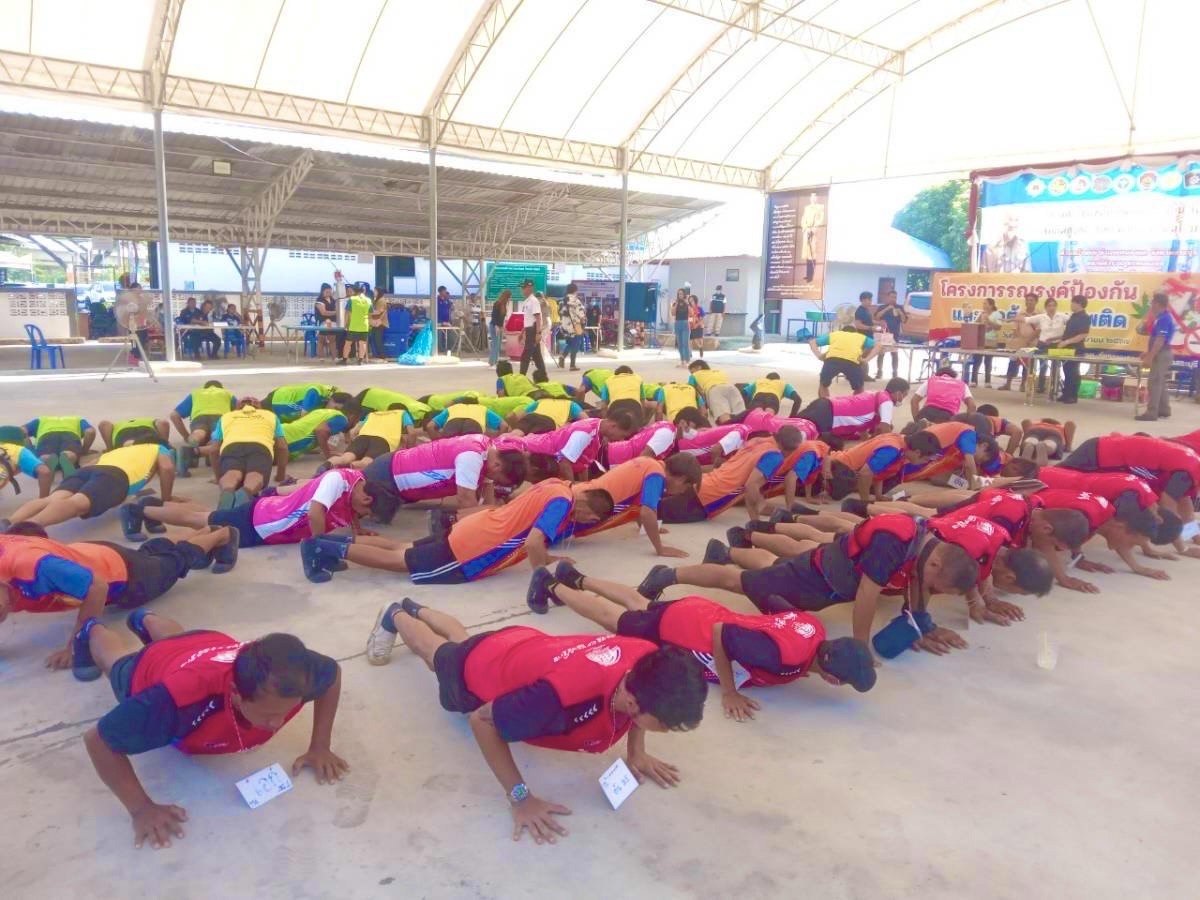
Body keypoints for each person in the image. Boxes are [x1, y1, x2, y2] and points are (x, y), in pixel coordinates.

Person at [362, 600, 705, 845]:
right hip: (479, 669)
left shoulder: (647, 658)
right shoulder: (559, 698)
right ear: (633, 703)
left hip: (524, 646)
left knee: (463, 640)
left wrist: (637, 753)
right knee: (433, 652)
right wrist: (521, 798)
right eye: (667, 724)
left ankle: (418, 608)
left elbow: (643, 703)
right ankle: (396, 614)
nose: (669, 730)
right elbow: (483, 723)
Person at [81, 613, 345, 850]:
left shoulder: (300, 676)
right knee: (115, 662)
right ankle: (92, 628)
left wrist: (320, 746)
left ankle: (146, 619)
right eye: (269, 715)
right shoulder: (178, 701)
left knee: (178, 643)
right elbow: (98, 740)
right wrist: (141, 809)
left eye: (287, 710)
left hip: (204, 644)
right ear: (235, 693)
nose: (278, 723)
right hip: (151, 667)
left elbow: (331, 675)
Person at [528, 563, 876, 720]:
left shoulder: (812, 628)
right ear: (831, 677)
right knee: (613, 619)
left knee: (638, 602)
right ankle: (551, 585)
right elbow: (722, 634)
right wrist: (729, 692)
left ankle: (576, 577)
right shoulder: (781, 658)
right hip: (685, 629)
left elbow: (777, 605)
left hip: (700, 610)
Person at [637, 513, 979, 652]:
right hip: (813, 578)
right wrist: (860, 647)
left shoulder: (928, 547)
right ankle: (668, 575)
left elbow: (918, 587)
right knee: (738, 581)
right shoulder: (894, 543)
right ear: (936, 563)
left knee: (765, 569)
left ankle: (726, 551)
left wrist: (923, 626)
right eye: (937, 586)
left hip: (823, 580)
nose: (931, 591)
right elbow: (867, 596)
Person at [0, 524, 239, 678]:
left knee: (172, 562)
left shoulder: (32, 566)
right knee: (148, 556)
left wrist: (75, 644)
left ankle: (223, 534)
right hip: (89, 553)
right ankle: (203, 530)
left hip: (123, 576)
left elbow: (97, 586)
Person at [303, 479, 610, 583]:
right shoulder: (563, 503)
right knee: (400, 562)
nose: (582, 520)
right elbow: (532, 543)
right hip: (475, 547)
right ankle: (322, 547)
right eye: (589, 517)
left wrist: (550, 557)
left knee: (402, 547)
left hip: (475, 527)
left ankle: (330, 541)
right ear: (587, 507)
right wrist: (543, 578)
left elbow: (528, 527)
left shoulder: (556, 485)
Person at [123, 466, 396, 550]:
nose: (364, 517)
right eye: (368, 515)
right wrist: (320, 545)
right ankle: (139, 511)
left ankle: (154, 506)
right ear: (367, 500)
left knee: (204, 515)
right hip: (263, 522)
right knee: (201, 523)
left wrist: (357, 528)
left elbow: (348, 509)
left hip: (268, 514)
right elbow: (315, 512)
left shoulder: (359, 483)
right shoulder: (338, 480)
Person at [2, 443, 176, 532]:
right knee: (77, 503)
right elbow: (167, 467)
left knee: (51, 499)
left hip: (88, 471)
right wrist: (166, 499)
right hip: (116, 476)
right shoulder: (159, 448)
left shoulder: (118, 450)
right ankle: (29, 527)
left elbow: (89, 465)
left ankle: (9, 522)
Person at [556, 456, 699, 559]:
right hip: (578, 511)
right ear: (681, 479)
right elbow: (647, 512)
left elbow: (636, 501)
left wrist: (647, 527)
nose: (682, 492)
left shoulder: (649, 463)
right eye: (685, 488)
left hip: (575, 497)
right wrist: (660, 548)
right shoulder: (657, 475)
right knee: (546, 537)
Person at [660, 428, 802, 523]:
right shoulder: (775, 456)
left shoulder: (758, 441)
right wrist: (756, 522)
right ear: (789, 450)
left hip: (703, 482)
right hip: (707, 499)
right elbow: (751, 486)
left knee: (653, 502)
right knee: (650, 512)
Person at [363, 433, 527, 510]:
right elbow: (465, 500)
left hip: (397, 479)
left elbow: (487, 487)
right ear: (497, 466)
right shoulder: (472, 456)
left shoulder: (489, 449)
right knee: (358, 511)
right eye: (499, 480)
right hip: (386, 479)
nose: (495, 482)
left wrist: (490, 510)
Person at [202, 400, 288, 508]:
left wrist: (219, 479)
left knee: (232, 473)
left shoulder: (227, 417)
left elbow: (214, 450)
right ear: (260, 407)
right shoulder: (270, 415)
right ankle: (246, 492)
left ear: (237, 407)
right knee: (255, 475)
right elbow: (282, 446)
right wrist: (280, 476)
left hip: (231, 446)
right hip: (260, 446)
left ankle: (227, 491)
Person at [819, 430, 940, 502]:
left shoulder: (901, 440)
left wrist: (878, 495)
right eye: (925, 459)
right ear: (917, 452)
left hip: (838, 463)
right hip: (835, 469)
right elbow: (865, 473)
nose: (924, 463)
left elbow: (880, 470)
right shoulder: (892, 450)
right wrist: (865, 501)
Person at [799, 378, 908, 439]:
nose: (903, 399)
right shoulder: (887, 401)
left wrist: (867, 442)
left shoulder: (875, 394)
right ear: (898, 393)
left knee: (794, 427)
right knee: (798, 439)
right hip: (829, 414)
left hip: (825, 404)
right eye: (905, 395)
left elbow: (863, 429)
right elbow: (885, 428)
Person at [321, 406, 412, 470]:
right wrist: (411, 450)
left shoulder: (372, 414)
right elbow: (412, 432)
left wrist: (354, 446)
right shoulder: (402, 413)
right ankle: (343, 468)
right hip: (382, 441)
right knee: (365, 463)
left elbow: (354, 431)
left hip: (362, 438)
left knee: (344, 458)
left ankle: (326, 466)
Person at [1137, 291, 1175, 422]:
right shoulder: (1161, 318)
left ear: (1157, 304)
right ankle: (1164, 410)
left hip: (1161, 353)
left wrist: (1150, 357)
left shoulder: (1164, 319)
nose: (1151, 305)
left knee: (1154, 382)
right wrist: (1148, 353)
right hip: (1162, 352)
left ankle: (1151, 413)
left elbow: (1160, 340)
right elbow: (1156, 339)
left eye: (1152, 303)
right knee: (1160, 382)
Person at [809, 326, 875, 397]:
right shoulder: (860, 336)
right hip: (852, 361)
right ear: (855, 332)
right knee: (859, 388)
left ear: (841, 331)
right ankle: (856, 402)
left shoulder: (835, 334)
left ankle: (824, 402)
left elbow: (812, 342)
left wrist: (819, 355)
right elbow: (877, 345)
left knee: (823, 385)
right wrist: (866, 359)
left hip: (832, 360)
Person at [1021, 296, 1069, 394]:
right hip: (1042, 344)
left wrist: (1061, 338)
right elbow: (1026, 319)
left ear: (1056, 307)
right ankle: (1040, 386)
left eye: (1054, 305)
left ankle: (1053, 388)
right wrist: (1010, 319)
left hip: (1056, 345)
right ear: (1046, 307)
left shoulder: (1062, 316)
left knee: (1056, 366)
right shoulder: (1041, 317)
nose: (1052, 308)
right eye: (1049, 306)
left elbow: (1072, 325)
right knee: (1042, 366)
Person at [23, 414, 95, 477]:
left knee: (46, 457)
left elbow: (21, 431)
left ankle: (47, 459)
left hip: (47, 437)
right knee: (69, 454)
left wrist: (29, 449)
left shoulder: (41, 420)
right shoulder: (77, 419)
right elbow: (90, 431)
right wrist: (84, 451)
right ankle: (68, 456)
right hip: (70, 436)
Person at [999, 293, 1043, 391]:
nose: (1028, 302)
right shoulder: (1020, 314)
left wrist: (1028, 340)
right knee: (1012, 362)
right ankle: (1008, 384)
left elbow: (1038, 330)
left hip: (1032, 344)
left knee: (1027, 365)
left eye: (1031, 300)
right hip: (1019, 343)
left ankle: (1023, 385)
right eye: (1027, 300)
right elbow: (1015, 329)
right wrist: (1022, 340)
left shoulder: (1040, 315)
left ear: (1036, 302)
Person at [282, 406, 357, 459]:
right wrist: (328, 455)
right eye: (357, 421)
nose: (356, 424)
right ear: (352, 417)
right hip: (287, 440)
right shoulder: (342, 420)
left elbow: (308, 428)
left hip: (284, 430)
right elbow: (320, 431)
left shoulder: (325, 412)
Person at [1056, 294, 1091, 403]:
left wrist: (1067, 342)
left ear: (1079, 304)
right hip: (1066, 348)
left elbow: (1083, 334)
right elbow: (1068, 332)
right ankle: (1066, 394)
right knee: (1066, 371)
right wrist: (1059, 340)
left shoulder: (1084, 317)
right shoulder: (1072, 316)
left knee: (1073, 373)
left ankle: (1072, 396)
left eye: (1073, 303)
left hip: (1076, 349)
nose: (1071, 305)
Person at [910, 366, 976, 423]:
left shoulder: (931, 380)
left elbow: (914, 401)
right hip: (948, 417)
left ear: (937, 375)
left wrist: (917, 422)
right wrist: (968, 424)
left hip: (927, 413)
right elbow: (972, 405)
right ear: (954, 377)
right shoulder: (962, 384)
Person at [0, 430, 53, 497]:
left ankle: (44, 501)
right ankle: (41, 458)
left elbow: (45, 472)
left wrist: (43, 501)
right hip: (8, 458)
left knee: (44, 472)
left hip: (17, 452)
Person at [966, 297, 1004, 385]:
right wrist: (976, 321)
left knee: (988, 362)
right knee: (977, 361)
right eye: (983, 303)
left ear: (991, 305)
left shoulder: (997, 314)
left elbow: (998, 327)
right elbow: (975, 324)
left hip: (991, 341)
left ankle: (987, 382)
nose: (983, 305)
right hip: (980, 341)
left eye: (985, 304)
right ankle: (974, 381)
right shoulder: (982, 314)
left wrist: (988, 320)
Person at [263, 382, 340, 422]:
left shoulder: (338, 401)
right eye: (335, 408)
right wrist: (304, 416)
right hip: (279, 400)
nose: (334, 411)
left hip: (285, 410)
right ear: (332, 399)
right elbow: (313, 391)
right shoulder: (326, 393)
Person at [873, 290, 907, 379]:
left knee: (894, 354)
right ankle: (879, 371)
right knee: (881, 353)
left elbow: (904, 320)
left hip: (895, 334)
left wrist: (900, 312)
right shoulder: (882, 307)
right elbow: (876, 317)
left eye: (895, 297)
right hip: (884, 333)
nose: (893, 299)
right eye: (891, 297)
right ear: (887, 297)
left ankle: (895, 373)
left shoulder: (899, 307)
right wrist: (887, 309)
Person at [515, 279, 546, 376]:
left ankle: (521, 377)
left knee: (526, 355)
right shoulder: (526, 302)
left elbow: (537, 318)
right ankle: (543, 375)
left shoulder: (533, 301)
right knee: (537, 356)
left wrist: (538, 333)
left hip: (533, 330)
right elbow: (528, 319)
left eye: (524, 288)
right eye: (522, 288)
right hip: (529, 330)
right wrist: (522, 332)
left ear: (529, 288)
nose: (522, 290)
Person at [339, 282, 371, 366]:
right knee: (362, 343)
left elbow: (347, 313)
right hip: (364, 325)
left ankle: (344, 360)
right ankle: (360, 361)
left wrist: (345, 324)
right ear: (363, 290)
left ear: (354, 290)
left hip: (353, 325)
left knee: (348, 343)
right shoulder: (368, 300)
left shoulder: (352, 299)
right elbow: (370, 313)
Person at [314, 283, 339, 360]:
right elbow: (323, 312)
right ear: (322, 291)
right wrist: (336, 312)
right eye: (327, 292)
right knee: (321, 339)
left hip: (333, 322)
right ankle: (320, 356)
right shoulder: (319, 301)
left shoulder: (333, 300)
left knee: (332, 339)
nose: (329, 293)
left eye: (330, 291)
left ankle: (334, 357)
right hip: (323, 322)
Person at [489, 289, 510, 367]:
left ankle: (495, 361)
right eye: (509, 297)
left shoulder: (504, 305)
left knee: (498, 345)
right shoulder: (497, 303)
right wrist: (496, 326)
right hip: (494, 326)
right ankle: (492, 362)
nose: (509, 299)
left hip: (499, 327)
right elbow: (494, 316)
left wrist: (502, 326)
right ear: (506, 297)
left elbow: (502, 318)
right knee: (495, 344)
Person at [671, 289, 691, 366]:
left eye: (681, 294)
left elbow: (691, 313)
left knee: (685, 343)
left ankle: (687, 360)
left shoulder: (687, 303)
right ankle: (682, 360)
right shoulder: (675, 303)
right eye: (679, 294)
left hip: (685, 323)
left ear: (684, 294)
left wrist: (687, 303)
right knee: (679, 344)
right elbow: (673, 313)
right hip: (677, 323)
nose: (680, 295)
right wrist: (676, 304)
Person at [368, 286, 389, 360]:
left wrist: (368, 313)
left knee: (378, 340)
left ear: (378, 292)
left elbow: (379, 311)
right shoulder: (377, 300)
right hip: (375, 322)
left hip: (379, 323)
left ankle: (382, 356)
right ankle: (379, 355)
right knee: (375, 339)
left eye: (375, 291)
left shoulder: (381, 300)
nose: (374, 292)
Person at [688, 295, 705, 359]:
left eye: (692, 299)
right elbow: (688, 317)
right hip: (691, 326)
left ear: (695, 300)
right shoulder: (689, 308)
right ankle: (689, 353)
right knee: (690, 340)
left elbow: (701, 318)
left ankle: (700, 347)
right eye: (690, 299)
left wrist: (697, 324)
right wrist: (690, 324)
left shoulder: (699, 308)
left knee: (699, 339)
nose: (691, 301)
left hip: (699, 325)